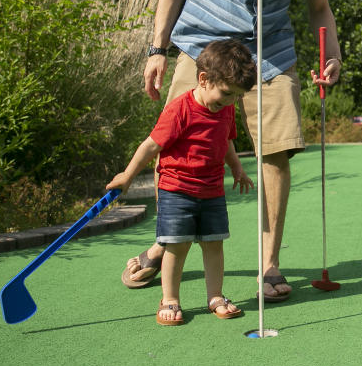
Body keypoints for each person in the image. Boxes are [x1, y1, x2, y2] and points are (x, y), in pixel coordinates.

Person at [122, 0, 344, 303]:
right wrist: (157, 48)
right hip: (203, 46)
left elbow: (319, 8)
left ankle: (268, 264)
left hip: (271, 52)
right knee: (179, 144)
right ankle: (166, 243)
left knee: (276, 154)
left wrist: (332, 55)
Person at [106, 38, 257, 325]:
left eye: (236, 96)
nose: (230, 102)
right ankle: (170, 299)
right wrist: (127, 176)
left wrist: (237, 169)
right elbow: (150, 146)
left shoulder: (224, 108)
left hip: (212, 190)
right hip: (177, 190)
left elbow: (226, 140)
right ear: (203, 79)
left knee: (214, 244)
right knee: (177, 245)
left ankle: (215, 295)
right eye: (227, 94)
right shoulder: (180, 110)